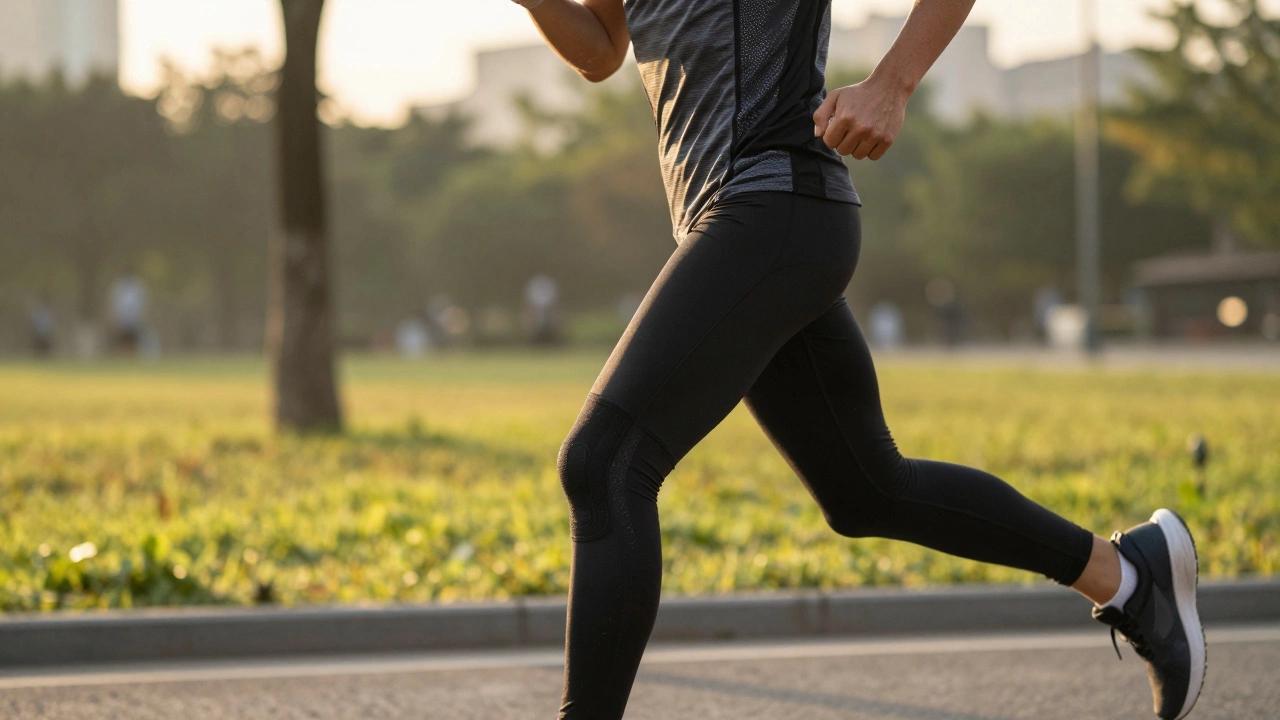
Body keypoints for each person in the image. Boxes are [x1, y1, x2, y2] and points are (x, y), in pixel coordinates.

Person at [510, 1, 1205, 718]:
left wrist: (892, 85)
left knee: (604, 461)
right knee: (868, 491)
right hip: (741, 222)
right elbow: (600, 50)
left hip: (771, 203)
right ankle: (1129, 577)